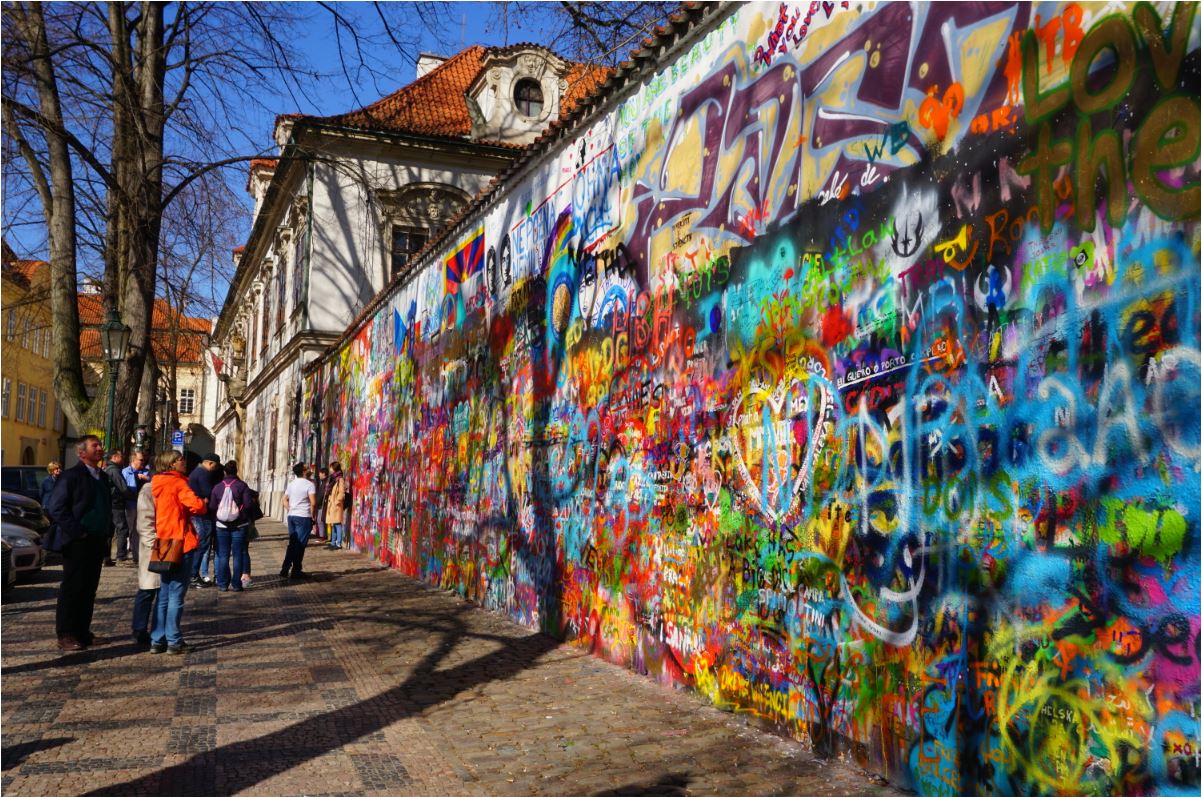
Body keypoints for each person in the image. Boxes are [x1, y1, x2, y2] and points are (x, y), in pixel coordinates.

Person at [45, 435, 113, 652]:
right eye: (95, 446)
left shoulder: (101, 477)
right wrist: (78, 532)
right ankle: (65, 633)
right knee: (72, 587)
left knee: (89, 588)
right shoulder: (71, 476)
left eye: (100, 445)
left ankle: (83, 631)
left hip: (96, 540)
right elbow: (56, 508)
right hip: (77, 541)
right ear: (82, 453)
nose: (100, 448)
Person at [149, 449, 207, 654]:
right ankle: (173, 640)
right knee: (176, 595)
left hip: (164, 541)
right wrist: (202, 503)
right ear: (172, 463)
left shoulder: (156, 483)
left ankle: (157, 639)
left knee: (164, 594)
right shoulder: (179, 482)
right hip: (181, 542)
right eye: (181, 460)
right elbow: (197, 506)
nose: (184, 463)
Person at [207, 460, 257, 592]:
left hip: (221, 526)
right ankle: (236, 584)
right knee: (238, 554)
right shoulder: (242, 486)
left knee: (223, 555)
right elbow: (248, 505)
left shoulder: (217, 487)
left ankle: (223, 584)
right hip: (240, 525)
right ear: (237, 470)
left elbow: (212, 506)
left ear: (225, 472)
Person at [131, 466, 160, 646]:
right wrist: (154, 546)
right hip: (154, 548)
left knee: (161, 592)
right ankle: (139, 629)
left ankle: (157, 630)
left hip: (165, 547)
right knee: (147, 591)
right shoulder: (148, 491)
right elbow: (145, 523)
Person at [187, 453, 222, 587]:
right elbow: (209, 492)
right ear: (210, 463)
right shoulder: (203, 473)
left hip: (198, 511)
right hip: (201, 512)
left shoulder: (197, 472)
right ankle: (193, 575)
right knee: (202, 542)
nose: (215, 469)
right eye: (216, 466)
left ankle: (193, 574)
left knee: (202, 542)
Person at [279, 463, 315, 580]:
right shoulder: (309, 484)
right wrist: (312, 516)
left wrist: (289, 508)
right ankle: (296, 570)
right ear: (304, 471)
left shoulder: (291, 484)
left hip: (292, 516)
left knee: (293, 543)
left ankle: (285, 567)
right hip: (303, 516)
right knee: (300, 545)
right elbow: (313, 502)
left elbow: (284, 499)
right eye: (308, 467)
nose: (310, 469)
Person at [121, 450, 151, 564]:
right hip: (130, 504)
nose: (143, 462)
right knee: (130, 528)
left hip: (143, 505)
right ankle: (127, 552)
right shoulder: (125, 472)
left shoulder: (146, 472)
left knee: (140, 529)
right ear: (133, 460)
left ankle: (138, 554)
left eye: (143, 460)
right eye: (141, 460)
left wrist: (146, 478)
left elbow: (153, 482)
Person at [325, 462, 347, 550]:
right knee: (333, 523)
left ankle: (338, 543)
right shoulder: (333, 478)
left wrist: (337, 501)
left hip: (336, 505)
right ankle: (333, 541)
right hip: (332, 504)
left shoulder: (340, 479)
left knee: (337, 524)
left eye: (331, 468)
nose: (330, 469)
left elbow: (342, 492)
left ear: (334, 468)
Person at [312, 466, 328, 542]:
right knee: (319, 520)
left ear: (324, 474)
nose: (319, 475)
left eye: (320, 474)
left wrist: (317, 502)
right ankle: (321, 536)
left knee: (320, 520)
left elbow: (322, 494)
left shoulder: (325, 483)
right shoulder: (323, 482)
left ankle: (322, 537)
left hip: (322, 504)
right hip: (320, 504)